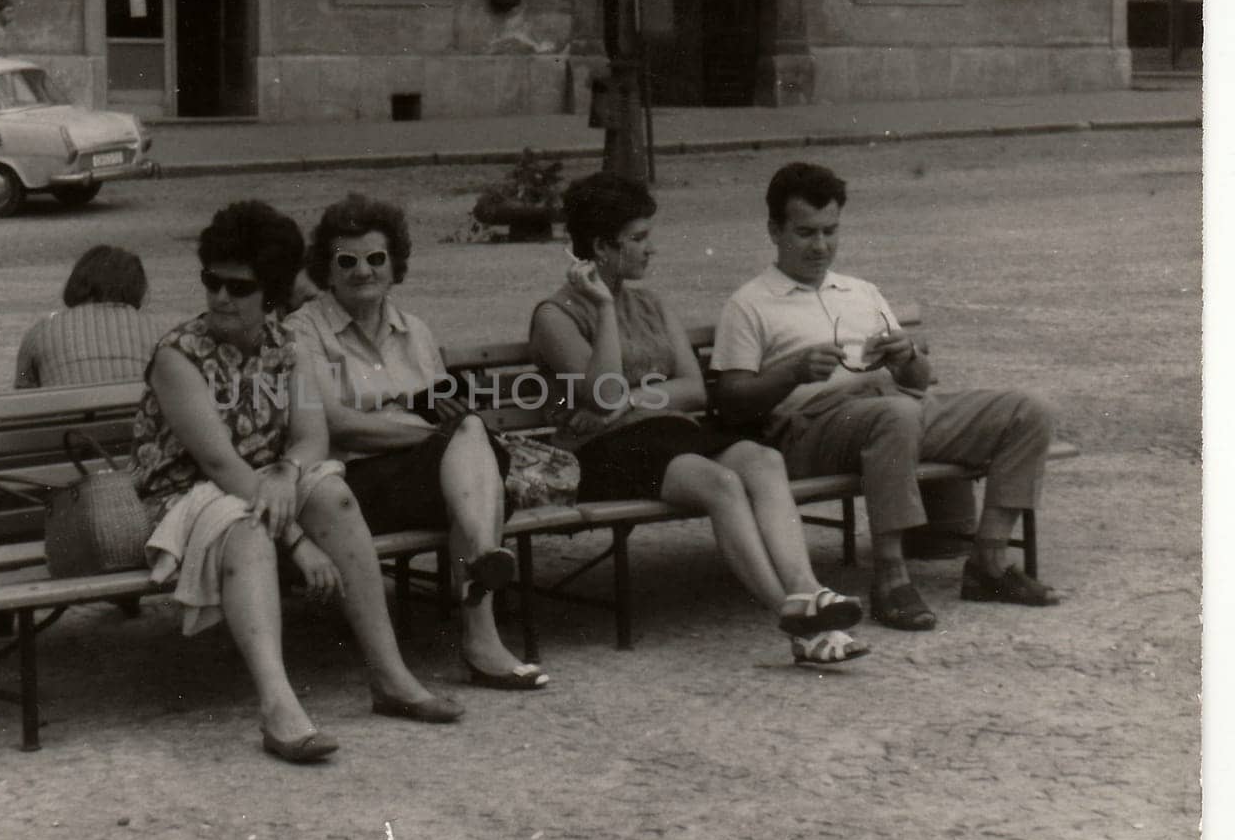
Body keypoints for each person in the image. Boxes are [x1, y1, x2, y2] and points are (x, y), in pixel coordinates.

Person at [130, 200, 462, 764]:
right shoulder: (177, 356)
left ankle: (390, 676)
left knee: (331, 493)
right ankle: (279, 708)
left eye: (239, 288)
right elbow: (217, 465)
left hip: (265, 481)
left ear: (272, 295)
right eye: (212, 281)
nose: (220, 298)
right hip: (188, 496)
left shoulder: (287, 347)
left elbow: (310, 437)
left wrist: (287, 471)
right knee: (247, 531)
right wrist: (297, 540)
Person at [529, 172, 868, 666]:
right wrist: (603, 309)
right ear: (602, 247)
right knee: (721, 483)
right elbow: (603, 399)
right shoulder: (555, 316)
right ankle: (792, 618)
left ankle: (807, 588)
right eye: (639, 239)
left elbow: (692, 388)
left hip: (661, 433)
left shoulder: (650, 302)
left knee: (762, 459)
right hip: (599, 453)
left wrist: (631, 400)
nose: (652, 250)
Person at [712, 161, 1060, 632]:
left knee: (1028, 410)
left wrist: (906, 354)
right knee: (894, 414)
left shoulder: (860, 291)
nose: (821, 246)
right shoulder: (750, 303)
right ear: (775, 230)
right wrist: (791, 372)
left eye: (830, 231)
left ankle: (989, 563)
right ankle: (892, 577)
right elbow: (730, 399)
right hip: (813, 429)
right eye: (805, 233)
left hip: (894, 408)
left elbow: (917, 382)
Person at [285, 194, 548, 690]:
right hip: (352, 487)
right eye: (347, 261)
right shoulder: (304, 332)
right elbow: (337, 425)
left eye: (376, 259)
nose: (363, 270)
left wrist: (445, 424)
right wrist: (436, 431)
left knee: (469, 438)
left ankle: (481, 578)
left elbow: (441, 402)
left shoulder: (415, 331)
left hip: (425, 478)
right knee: (470, 441)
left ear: (394, 264)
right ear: (327, 267)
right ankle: (482, 605)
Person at [14, 245, 164, 390]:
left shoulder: (41, 332)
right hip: (132, 413)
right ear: (136, 286)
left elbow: (23, 389)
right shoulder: (155, 331)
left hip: (69, 414)